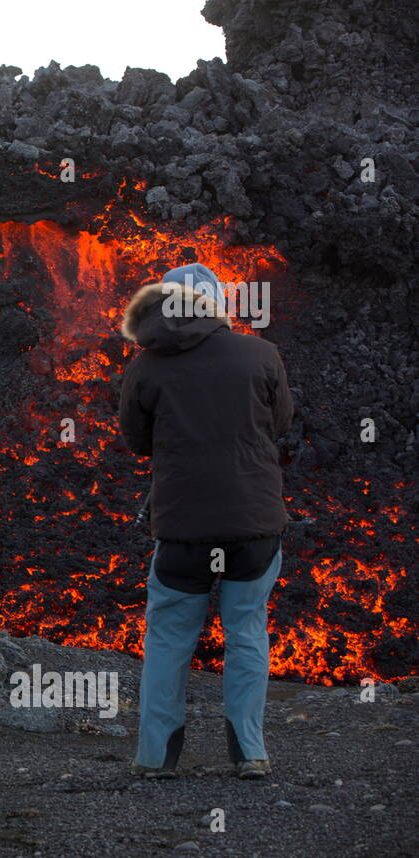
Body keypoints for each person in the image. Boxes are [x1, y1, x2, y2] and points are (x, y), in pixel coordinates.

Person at [118, 263, 294, 780]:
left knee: (170, 638)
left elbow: (135, 439)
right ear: (219, 305)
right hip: (254, 522)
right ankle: (250, 754)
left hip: (183, 527)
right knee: (246, 633)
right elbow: (278, 425)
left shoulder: (146, 366)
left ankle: (156, 759)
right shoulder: (261, 355)